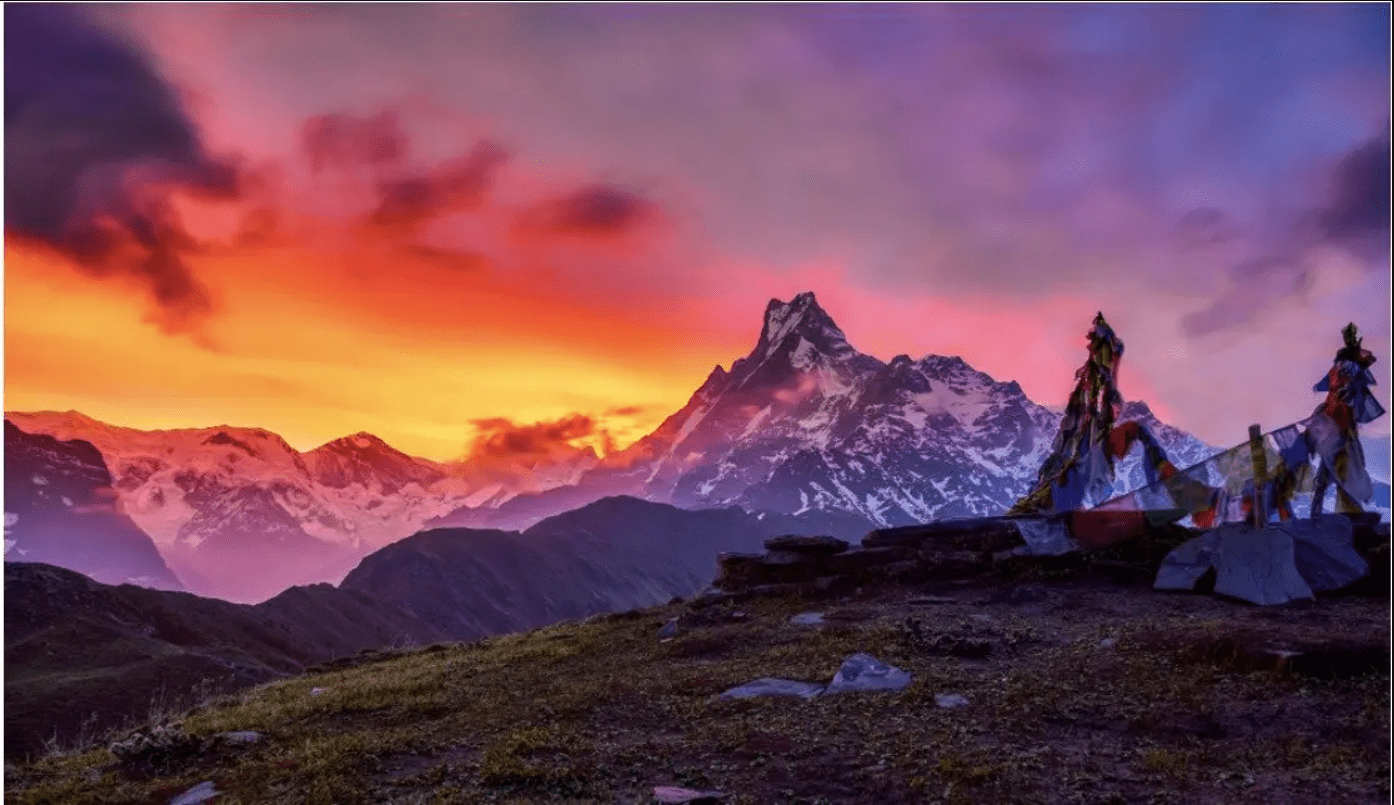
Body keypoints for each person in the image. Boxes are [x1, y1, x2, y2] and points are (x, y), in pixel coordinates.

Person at [1309, 323, 1384, 515]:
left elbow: (1363, 385)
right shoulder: (1341, 362)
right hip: (1331, 416)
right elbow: (1329, 381)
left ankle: (1346, 511)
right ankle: (1317, 511)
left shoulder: (1356, 365)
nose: (1349, 340)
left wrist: (1349, 390)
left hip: (1343, 420)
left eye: (1352, 337)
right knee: (1329, 465)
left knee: (1342, 464)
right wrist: (1322, 387)